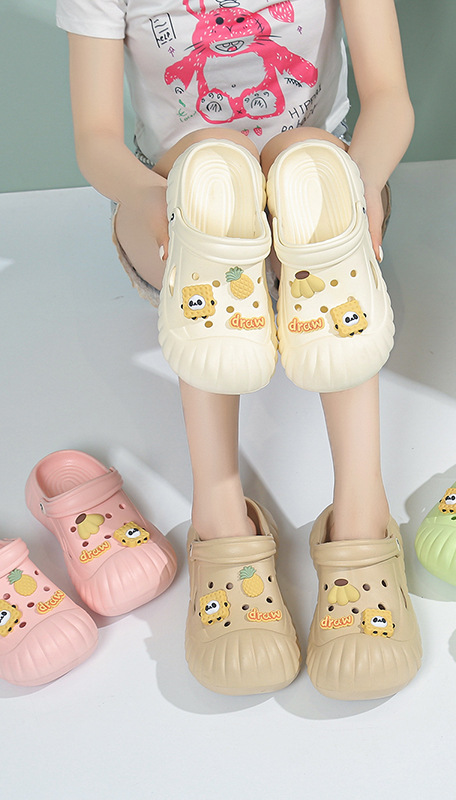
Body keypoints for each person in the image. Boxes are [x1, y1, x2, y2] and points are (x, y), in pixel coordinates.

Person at [58, 0, 421, 699]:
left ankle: (361, 512)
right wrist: (152, 200)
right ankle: (220, 513)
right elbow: (96, 139)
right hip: (172, 214)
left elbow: (388, 99)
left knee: (312, 173)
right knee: (209, 180)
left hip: (316, 200)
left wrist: (363, 182)